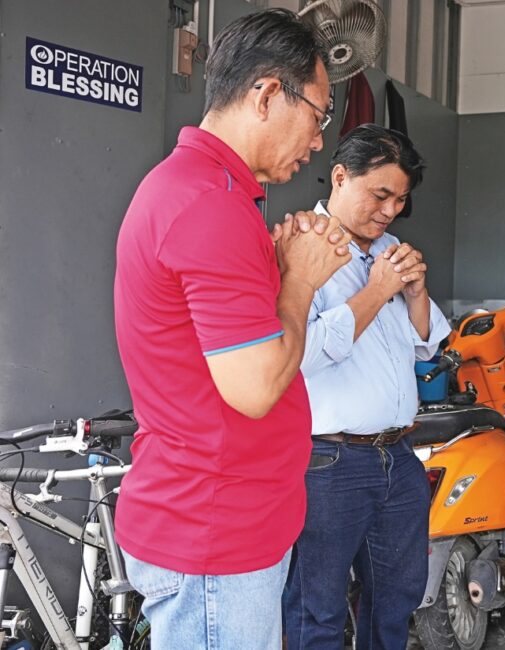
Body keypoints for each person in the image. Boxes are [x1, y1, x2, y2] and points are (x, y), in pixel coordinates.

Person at [113, 10, 352, 649]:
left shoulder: (207, 192)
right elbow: (254, 387)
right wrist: (300, 280)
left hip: (223, 525)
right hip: (213, 537)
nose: (318, 142)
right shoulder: (209, 205)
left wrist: (278, 268)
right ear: (268, 94)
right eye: (318, 116)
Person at [283, 124, 450, 650]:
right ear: (340, 177)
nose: (390, 211)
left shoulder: (390, 248)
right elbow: (299, 353)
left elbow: (425, 347)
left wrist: (416, 293)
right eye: (380, 195)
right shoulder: (300, 246)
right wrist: (377, 291)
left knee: (397, 602)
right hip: (330, 462)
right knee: (318, 611)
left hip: (397, 455)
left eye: (400, 201)